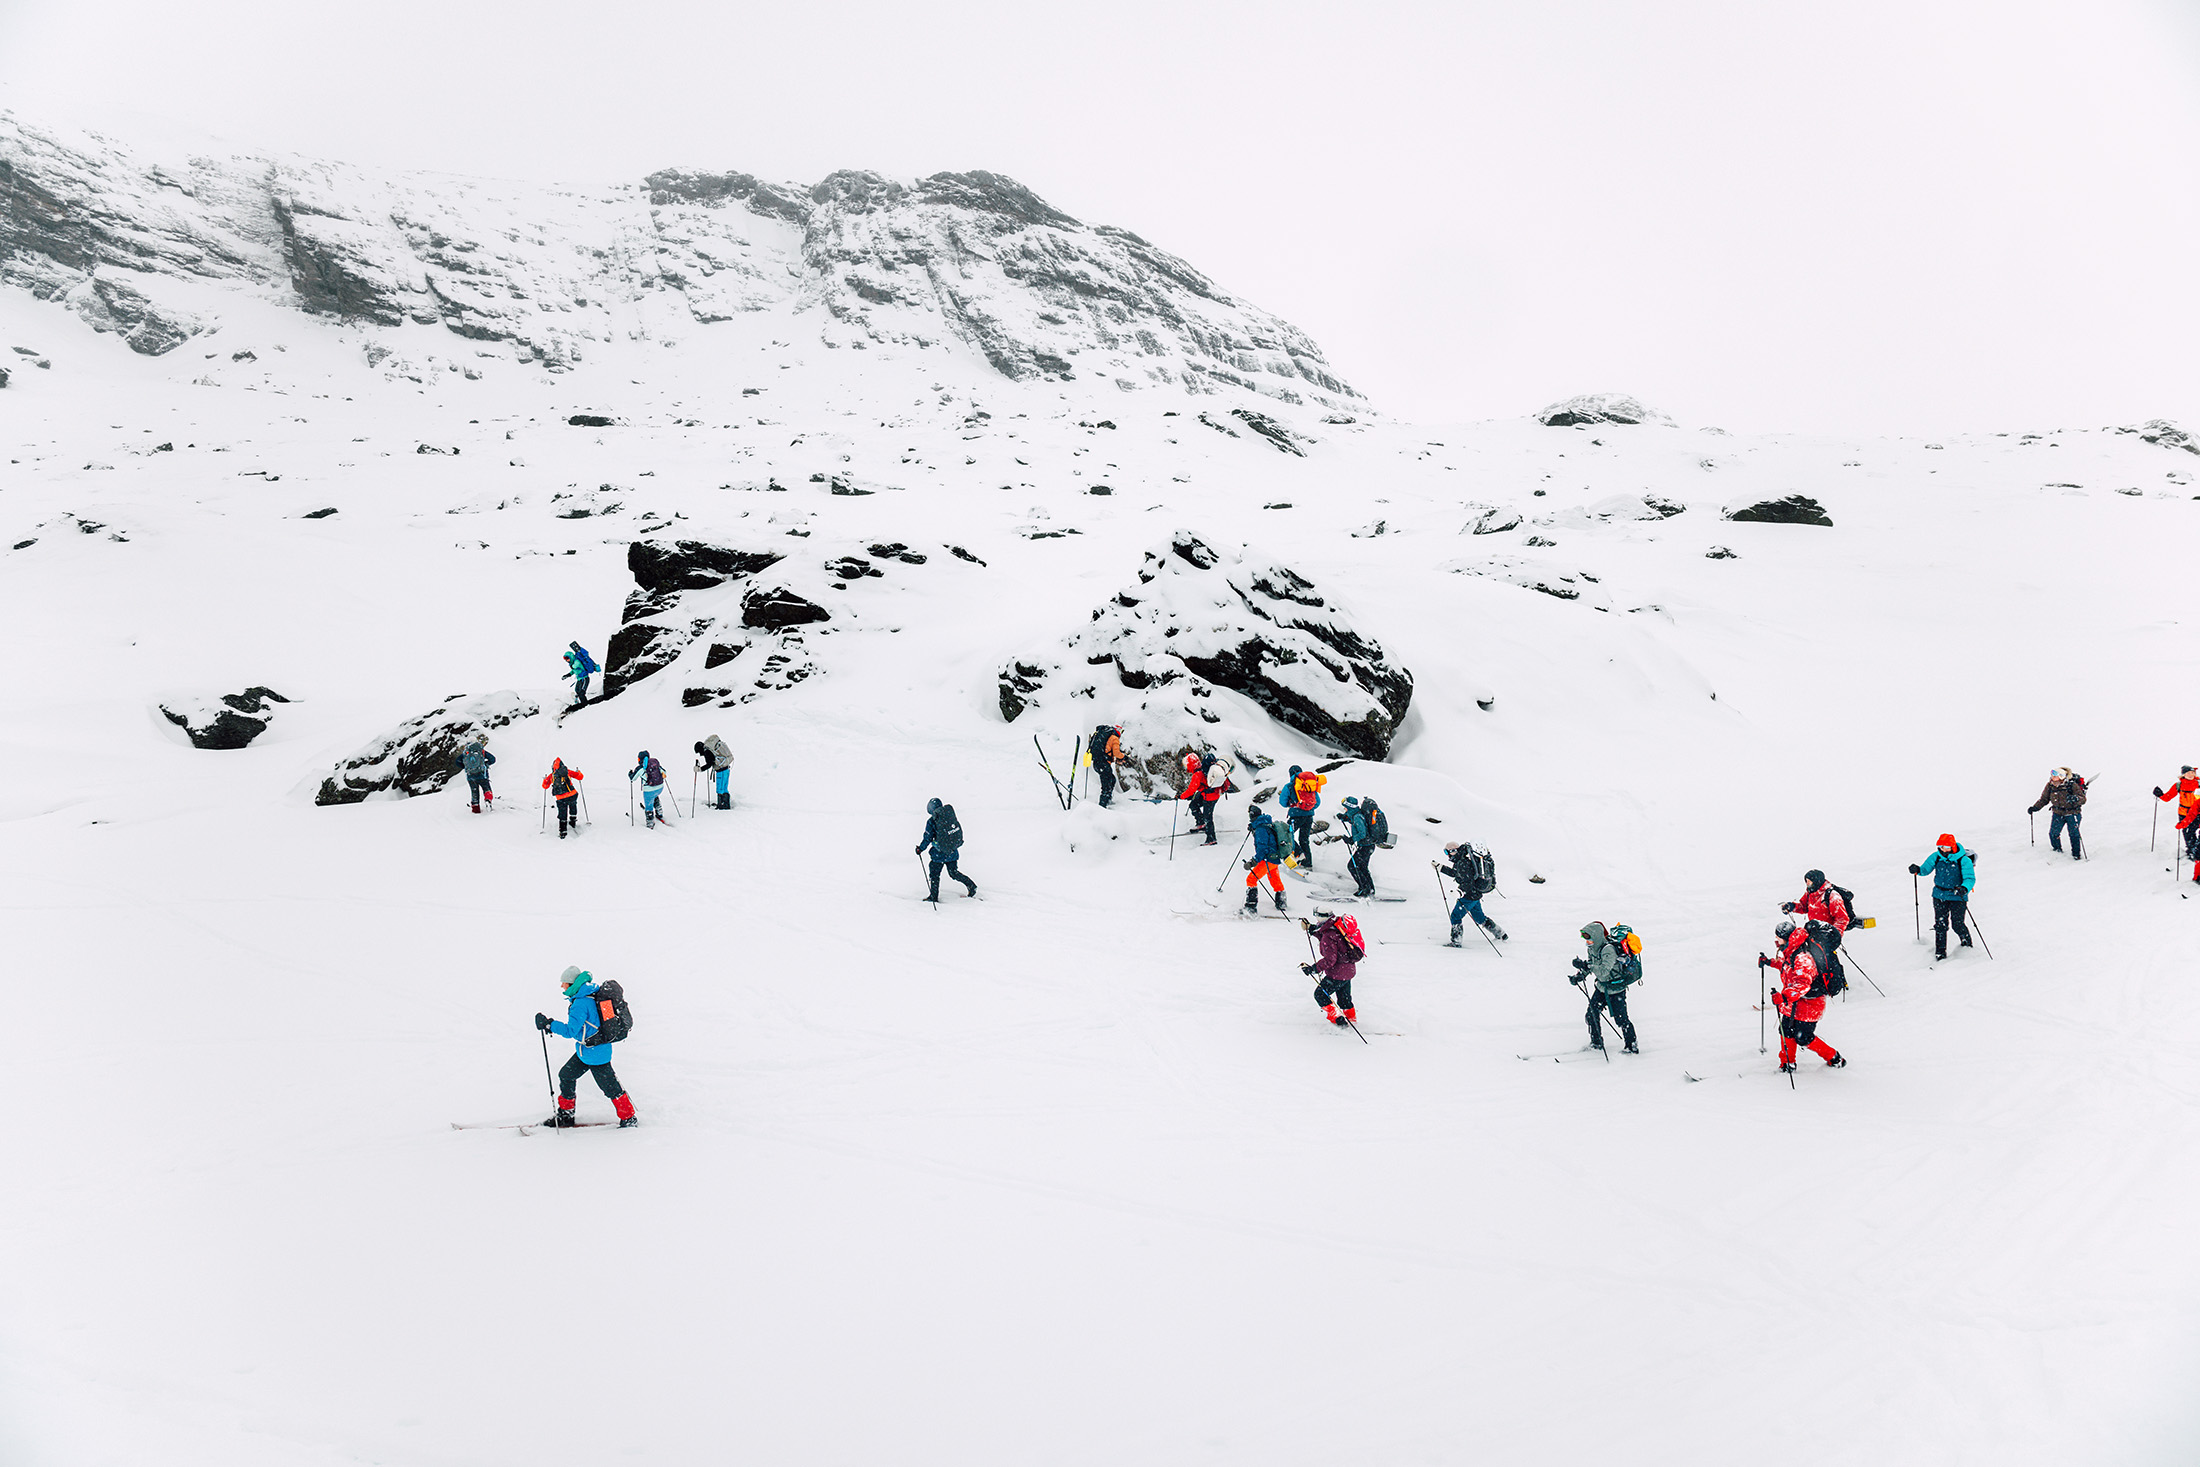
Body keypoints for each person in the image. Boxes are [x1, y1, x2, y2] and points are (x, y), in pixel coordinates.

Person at [534, 966, 638, 1127]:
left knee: (610, 1088)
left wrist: (549, 1024)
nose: (562, 987)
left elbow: (570, 1031)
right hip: (587, 1051)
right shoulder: (589, 994)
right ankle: (566, 1115)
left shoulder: (581, 1003)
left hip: (596, 1055)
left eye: (564, 983)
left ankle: (629, 1118)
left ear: (572, 984)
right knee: (566, 1075)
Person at [1761, 920, 1846, 1073]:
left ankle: (1834, 1057)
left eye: (1778, 938)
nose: (1776, 941)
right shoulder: (1791, 951)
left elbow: (1803, 984)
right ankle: (1787, 1063)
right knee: (1785, 1030)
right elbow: (1787, 967)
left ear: (1786, 938)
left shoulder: (1802, 958)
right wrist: (1770, 962)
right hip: (1794, 1003)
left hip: (1810, 1005)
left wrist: (1784, 997)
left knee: (1803, 1037)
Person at [1572, 921, 1639, 1053]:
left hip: (1616, 989)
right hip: (1602, 987)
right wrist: (1580, 975)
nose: (1586, 941)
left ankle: (1632, 1046)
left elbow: (1603, 971)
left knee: (1621, 1020)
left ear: (1596, 936)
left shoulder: (1608, 949)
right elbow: (1592, 964)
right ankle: (1596, 1043)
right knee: (1591, 1014)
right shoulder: (1592, 948)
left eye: (1588, 937)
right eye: (1584, 937)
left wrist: (1586, 966)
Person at [1908, 834, 1975, 960]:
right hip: (1939, 895)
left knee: (1957, 924)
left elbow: (1970, 878)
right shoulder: (1936, 857)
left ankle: (1967, 945)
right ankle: (1940, 953)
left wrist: (1964, 888)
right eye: (1940, 846)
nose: (1942, 849)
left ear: (1952, 846)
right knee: (1940, 925)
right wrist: (1917, 869)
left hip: (1957, 897)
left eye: (1945, 846)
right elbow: (1925, 870)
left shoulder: (1963, 860)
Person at [1299, 906, 1364, 1028]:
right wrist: (1312, 929)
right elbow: (1329, 937)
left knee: (1320, 995)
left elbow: (1330, 959)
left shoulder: (1329, 935)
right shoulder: (1337, 925)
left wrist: (1313, 969)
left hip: (1336, 974)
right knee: (1344, 999)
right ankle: (1351, 1019)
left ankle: (1338, 1020)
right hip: (1348, 971)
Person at [1438, 841, 1506, 945]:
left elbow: (1467, 882)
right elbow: (1455, 873)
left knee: (1455, 916)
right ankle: (1500, 933)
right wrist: (1440, 867)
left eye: (1447, 852)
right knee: (1480, 918)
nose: (1447, 855)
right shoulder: (1462, 860)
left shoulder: (1462, 863)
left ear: (1453, 851)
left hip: (1468, 896)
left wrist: (1460, 892)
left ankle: (1456, 941)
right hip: (1475, 894)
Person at [916, 797, 979, 902]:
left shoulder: (932, 821)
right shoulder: (949, 817)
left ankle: (933, 897)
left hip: (938, 854)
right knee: (953, 872)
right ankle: (971, 885)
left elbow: (927, 838)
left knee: (935, 875)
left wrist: (920, 849)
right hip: (951, 851)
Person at [2028, 768, 2087, 861]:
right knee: (2053, 833)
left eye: (2055, 775)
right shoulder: (2050, 786)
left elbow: (2083, 799)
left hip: (2072, 813)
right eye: (2052, 775)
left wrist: (2075, 799)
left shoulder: (2072, 785)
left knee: (2074, 834)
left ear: (2061, 776)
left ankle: (2076, 855)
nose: (2052, 777)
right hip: (2058, 813)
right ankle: (2057, 851)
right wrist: (2035, 807)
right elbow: (2044, 799)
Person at [1243, 805, 1289, 915]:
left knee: (1251, 879)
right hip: (1275, 858)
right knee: (1274, 879)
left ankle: (1251, 907)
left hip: (1268, 859)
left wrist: (1253, 861)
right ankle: (1281, 902)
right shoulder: (1266, 824)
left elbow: (1262, 848)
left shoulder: (1261, 829)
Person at [1276, 764, 1325, 866]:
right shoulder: (1309, 784)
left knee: (1287, 835)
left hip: (1296, 815)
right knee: (1304, 839)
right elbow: (1317, 802)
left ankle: (1299, 854)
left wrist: (1296, 806)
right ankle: (1307, 863)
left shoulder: (1289, 786)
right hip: (1309, 816)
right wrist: (1307, 809)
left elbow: (1282, 802)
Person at [2155, 768, 2199, 881]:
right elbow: (2168, 797)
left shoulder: (2198, 784)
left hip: (2198, 812)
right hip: (2184, 813)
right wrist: (2160, 795)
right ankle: (2192, 851)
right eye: (2188, 773)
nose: (2191, 775)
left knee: (2193, 831)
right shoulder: (2179, 785)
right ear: (2183, 775)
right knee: (2187, 833)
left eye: (2192, 773)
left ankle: (2196, 852)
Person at [1341, 795, 1388, 897]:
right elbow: (1359, 822)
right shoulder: (1357, 814)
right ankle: (1370, 888)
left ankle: (1364, 889)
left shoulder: (1357, 816)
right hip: (1368, 846)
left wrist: (1351, 840)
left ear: (1349, 807)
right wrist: (1345, 817)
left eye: (1345, 807)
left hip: (1365, 847)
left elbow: (1362, 833)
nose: (1344, 809)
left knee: (1352, 866)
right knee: (1362, 867)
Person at [1782, 870, 1852, 931]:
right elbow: (1804, 907)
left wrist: (1833, 935)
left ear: (1816, 881)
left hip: (1827, 933)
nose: (1807, 884)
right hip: (1814, 931)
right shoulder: (1810, 893)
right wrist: (1792, 907)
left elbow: (1842, 919)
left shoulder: (1832, 896)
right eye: (1806, 881)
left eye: (1810, 882)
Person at [542, 757, 585, 839]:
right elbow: (580, 777)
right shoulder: (567, 771)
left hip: (561, 798)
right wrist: (578, 772)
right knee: (573, 806)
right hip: (572, 794)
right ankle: (573, 822)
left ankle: (563, 832)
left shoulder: (552, 775)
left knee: (562, 813)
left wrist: (545, 780)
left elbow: (545, 786)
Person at [454, 734, 496, 814]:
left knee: (474, 792)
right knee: (486, 789)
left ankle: (476, 809)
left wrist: (465, 767)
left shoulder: (466, 752)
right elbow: (493, 759)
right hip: (482, 774)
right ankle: (488, 800)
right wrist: (486, 764)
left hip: (471, 776)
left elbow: (457, 762)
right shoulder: (481, 750)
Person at [630, 750, 669, 829]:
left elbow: (633, 778)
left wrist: (630, 774)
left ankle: (650, 822)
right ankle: (659, 812)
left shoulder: (641, 768)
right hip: (660, 788)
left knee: (649, 805)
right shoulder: (654, 763)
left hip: (649, 790)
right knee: (654, 796)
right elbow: (664, 773)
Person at [695, 735, 734, 811]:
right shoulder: (708, 749)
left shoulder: (707, 752)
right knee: (724, 787)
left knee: (720, 788)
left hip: (721, 771)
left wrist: (700, 769)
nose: (700, 754)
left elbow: (709, 764)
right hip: (725, 769)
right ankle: (724, 803)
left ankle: (723, 805)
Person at [1088, 724, 1123, 808]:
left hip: (1097, 763)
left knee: (1112, 779)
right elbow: (1116, 753)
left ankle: (1107, 800)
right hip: (1103, 764)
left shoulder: (1104, 735)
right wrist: (1124, 757)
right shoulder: (1114, 738)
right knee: (1106, 784)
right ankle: (1102, 806)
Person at [563, 641, 597, 709]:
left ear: (571, 657)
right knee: (577, 690)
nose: (567, 660)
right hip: (580, 679)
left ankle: (585, 705)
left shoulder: (576, 662)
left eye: (568, 658)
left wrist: (577, 651)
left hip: (585, 678)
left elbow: (575, 667)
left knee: (581, 692)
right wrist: (567, 675)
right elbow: (574, 671)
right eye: (565, 659)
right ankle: (581, 703)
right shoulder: (572, 663)